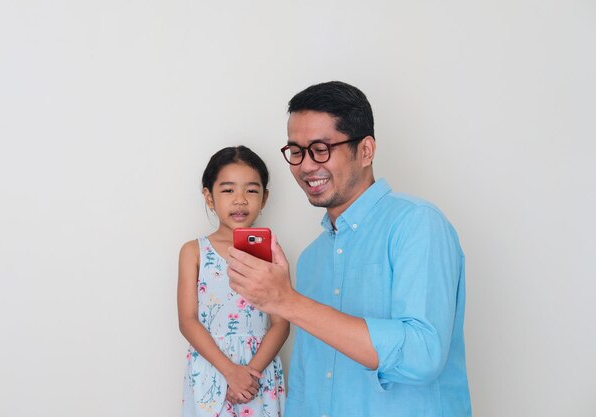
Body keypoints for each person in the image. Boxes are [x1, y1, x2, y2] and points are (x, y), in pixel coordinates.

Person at [227, 81, 472, 417]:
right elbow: (308, 377)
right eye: (296, 151)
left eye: (321, 148)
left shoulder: (417, 224)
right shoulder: (312, 258)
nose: (306, 165)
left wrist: (286, 301)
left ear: (366, 151)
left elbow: (422, 355)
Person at [178, 146, 288, 417]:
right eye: (228, 190)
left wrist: (250, 375)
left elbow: (281, 324)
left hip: (259, 372)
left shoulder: (273, 253)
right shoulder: (194, 251)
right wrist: (229, 372)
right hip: (211, 367)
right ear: (209, 197)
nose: (240, 200)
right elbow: (187, 321)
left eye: (251, 190)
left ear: (264, 198)